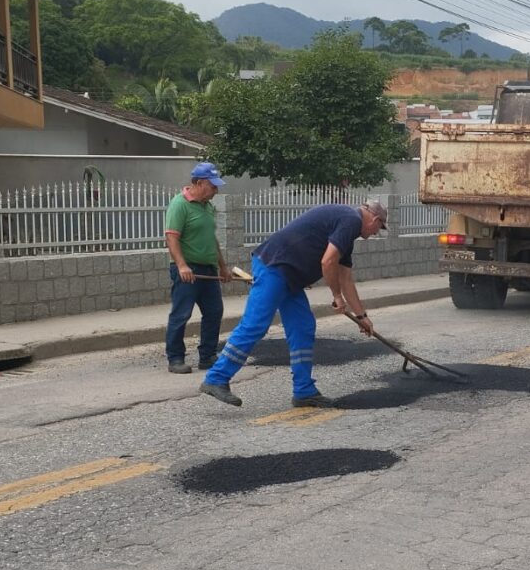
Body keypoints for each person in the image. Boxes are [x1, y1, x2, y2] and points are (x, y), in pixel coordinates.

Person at [200, 201, 387, 408]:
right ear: (375, 219)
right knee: (254, 325)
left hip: (290, 276)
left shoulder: (347, 229)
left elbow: (346, 279)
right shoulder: (351, 220)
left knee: (303, 327)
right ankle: (216, 378)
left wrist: (362, 317)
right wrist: (337, 297)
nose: (376, 233)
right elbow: (328, 262)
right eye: (380, 227)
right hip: (274, 267)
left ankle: (304, 391)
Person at [163, 162, 231, 374]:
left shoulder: (208, 206)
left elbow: (212, 240)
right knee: (181, 314)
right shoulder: (179, 204)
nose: (216, 190)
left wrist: (223, 267)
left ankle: (207, 355)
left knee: (214, 312)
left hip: (208, 269)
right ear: (199, 183)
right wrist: (182, 265)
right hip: (188, 270)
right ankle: (175, 358)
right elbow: (172, 237)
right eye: (213, 186)